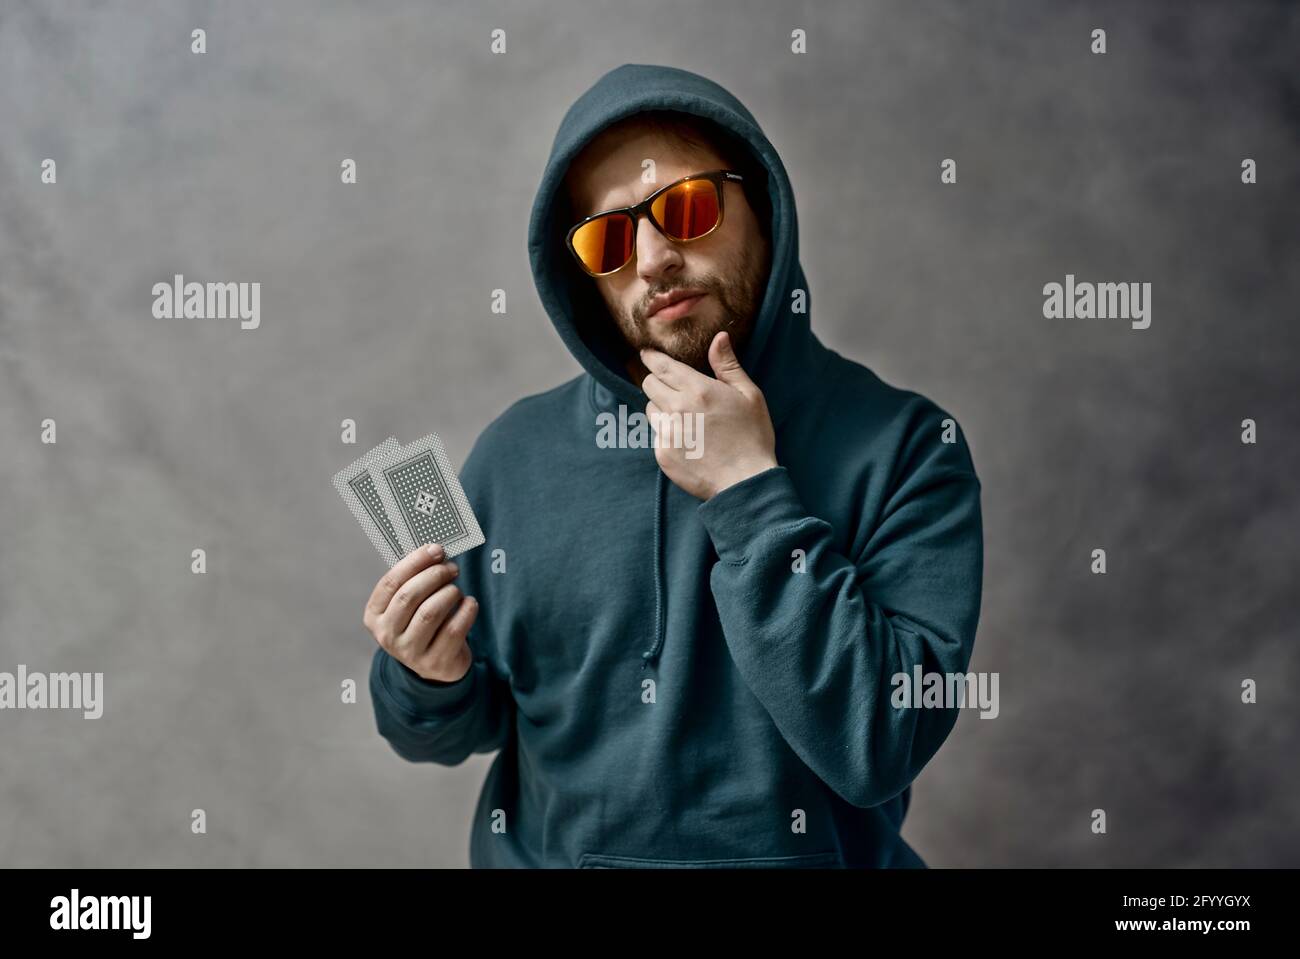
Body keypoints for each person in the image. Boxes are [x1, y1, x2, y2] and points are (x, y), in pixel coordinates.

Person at [365, 63, 984, 868]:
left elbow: (877, 745)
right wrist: (426, 675)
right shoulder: (512, 454)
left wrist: (750, 492)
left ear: (763, 210)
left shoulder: (906, 447)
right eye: (609, 238)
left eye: (687, 210)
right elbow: (453, 731)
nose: (653, 258)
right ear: (581, 278)